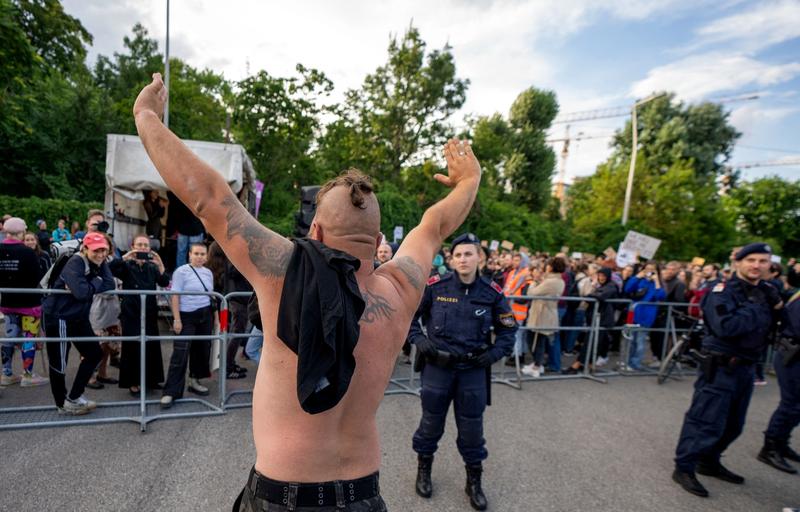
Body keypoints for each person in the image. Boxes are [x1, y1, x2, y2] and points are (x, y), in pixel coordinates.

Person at [134, 72, 481, 512]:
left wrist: (146, 117)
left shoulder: (285, 271)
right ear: (378, 242)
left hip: (283, 495)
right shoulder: (402, 289)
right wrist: (470, 180)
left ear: (314, 231)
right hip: (362, 494)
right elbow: (433, 226)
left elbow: (209, 199)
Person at [407, 233, 516, 510]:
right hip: (438, 369)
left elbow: (508, 331)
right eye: (458, 255)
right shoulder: (436, 286)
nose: (463, 259)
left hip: (472, 371)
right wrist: (420, 341)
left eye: (469, 254)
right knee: (430, 424)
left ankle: (474, 481)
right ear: (451, 259)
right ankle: (424, 470)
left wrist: (492, 355)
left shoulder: (492, 293)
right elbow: (409, 317)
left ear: (480, 257)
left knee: (472, 430)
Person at [672, 243, 782, 498]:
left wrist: (774, 302)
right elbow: (726, 327)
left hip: (747, 367)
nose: (756, 265)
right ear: (738, 263)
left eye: (763, 261)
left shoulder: (765, 291)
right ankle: (684, 467)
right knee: (704, 421)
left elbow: (778, 323)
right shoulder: (721, 291)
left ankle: (709, 461)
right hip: (721, 366)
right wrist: (756, 305)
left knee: (734, 425)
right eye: (751, 260)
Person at [42, 232, 115, 415]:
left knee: (94, 353)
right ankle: (62, 404)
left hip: (78, 317)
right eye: (96, 250)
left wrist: (89, 283)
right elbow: (82, 293)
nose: (100, 254)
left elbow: (110, 284)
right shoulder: (75, 262)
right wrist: (94, 282)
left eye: (104, 250)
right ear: (85, 249)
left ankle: (74, 397)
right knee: (59, 362)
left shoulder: (100, 262)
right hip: (58, 316)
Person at [109, 235, 170, 395]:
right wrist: (126, 256)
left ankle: (152, 379)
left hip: (149, 311)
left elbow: (164, 282)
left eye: (145, 245)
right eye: (139, 245)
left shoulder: (152, 267)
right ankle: (133, 381)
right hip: (131, 311)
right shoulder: (126, 265)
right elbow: (109, 269)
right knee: (132, 346)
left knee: (151, 345)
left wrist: (160, 263)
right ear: (133, 246)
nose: (142, 248)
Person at [160, 243, 214, 408]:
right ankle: (171, 391)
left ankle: (194, 381)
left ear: (206, 256)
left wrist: (216, 319)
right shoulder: (181, 271)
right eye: (196, 253)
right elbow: (175, 296)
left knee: (202, 350)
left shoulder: (208, 272)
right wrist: (177, 319)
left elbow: (211, 296)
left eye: (202, 254)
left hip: (205, 315)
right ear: (189, 254)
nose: (199, 257)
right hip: (186, 316)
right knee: (180, 353)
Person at [0, 218, 49, 387]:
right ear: (21, 232)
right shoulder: (27, 252)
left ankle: (6, 374)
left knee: (9, 337)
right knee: (29, 337)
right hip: (29, 302)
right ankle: (28, 375)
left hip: (7, 301)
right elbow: (37, 277)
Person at [757, 284, 800, 473]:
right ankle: (770, 448)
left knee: (797, 406)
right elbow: (796, 327)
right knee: (791, 404)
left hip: (794, 356)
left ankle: (781, 442)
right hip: (792, 356)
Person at [521, 257, 566, 377]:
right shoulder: (556, 280)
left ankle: (537, 366)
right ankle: (537, 364)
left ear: (551, 267)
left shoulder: (551, 281)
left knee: (536, 341)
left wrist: (534, 282)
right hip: (544, 313)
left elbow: (532, 293)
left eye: (548, 265)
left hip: (542, 314)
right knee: (537, 340)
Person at [623, 262, 666, 370]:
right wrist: (637, 277)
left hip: (646, 316)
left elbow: (660, 296)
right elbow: (627, 289)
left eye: (652, 269)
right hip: (633, 314)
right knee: (630, 340)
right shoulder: (640, 280)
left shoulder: (657, 283)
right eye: (647, 269)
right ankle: (627, 361)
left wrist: (656, 281)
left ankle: (636, 363)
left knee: (640, 341)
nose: (649, 271)